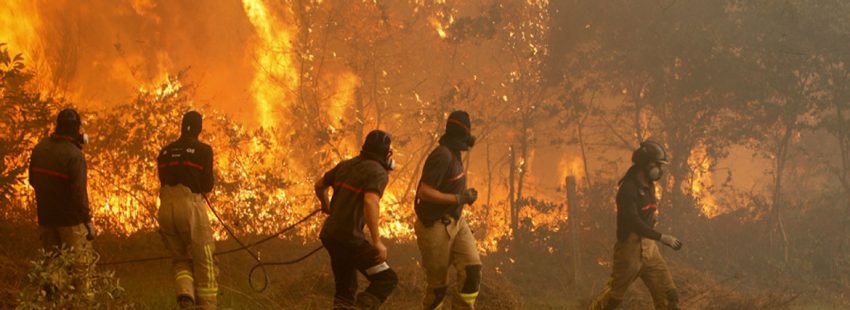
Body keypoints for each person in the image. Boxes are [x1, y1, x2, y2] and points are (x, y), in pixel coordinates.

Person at [590, 140, 684, 310]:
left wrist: (654, 238)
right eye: (657, 165)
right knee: (613, 300)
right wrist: (662, 237)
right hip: (629, 250)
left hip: (649, 248)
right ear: (645, 164)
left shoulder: (650, 186)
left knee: (670, 297)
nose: (660, 170)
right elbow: (633, 222)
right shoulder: (628, 189)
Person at [315, 129, 399, 309]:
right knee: (386, 279)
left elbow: (319, 185)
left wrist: (325, 205)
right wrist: (377, 242)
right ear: (386, 153)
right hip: (350, 240)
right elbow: (370, 201)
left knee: (344, 292)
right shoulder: (378, 173)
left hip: (331, 237)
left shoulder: (345, 165)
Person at [414, 110, 481, 309]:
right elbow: (423, 192)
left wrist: (464, 196)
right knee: (437, 288)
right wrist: (458, 198)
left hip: (456, 223)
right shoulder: (442, 155)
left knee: (472, 271)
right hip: (434, 226)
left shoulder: (454, 154)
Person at [29, 108, 95, 298]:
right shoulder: (75, 156)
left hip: (46, 218)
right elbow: (78, 194)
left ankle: (51, 295)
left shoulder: (40, 147)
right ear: (77, 129)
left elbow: (33, 180)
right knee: (80, 269)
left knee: (53, 263)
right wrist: (87, 221)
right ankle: (82, 302)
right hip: (71, 222)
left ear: (57, 126)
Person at [156, 111, 217, 309]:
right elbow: (207, 184)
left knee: (180, 258)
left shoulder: (164, 152)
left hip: (165, 208)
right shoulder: (204, 150)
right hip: (189, 206)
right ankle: (207, 305)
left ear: (182, 127)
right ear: (199, 128)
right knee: (204, 257)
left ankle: (185, 295)